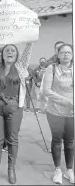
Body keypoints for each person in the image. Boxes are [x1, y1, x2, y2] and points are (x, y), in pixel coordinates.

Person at [0, 17, 39, 184]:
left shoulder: (21, 67)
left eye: (13, 51)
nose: (10, 52)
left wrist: (32, 31)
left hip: (14, 107)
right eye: (7, 50)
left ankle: (11, 169)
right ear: (2, 53)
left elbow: (29, 47)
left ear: (17, 55)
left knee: (13, 139)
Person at [42, 44, 74, 184]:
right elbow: (46, 90)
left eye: (69, 52)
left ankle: (69, 170)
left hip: (72, 113)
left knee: (70, 142)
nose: (66, 54)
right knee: (57, 140)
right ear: (58, 55)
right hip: (55, 111)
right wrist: (66, 101)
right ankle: (57, 170)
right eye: (63, 52)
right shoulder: (52, 68)